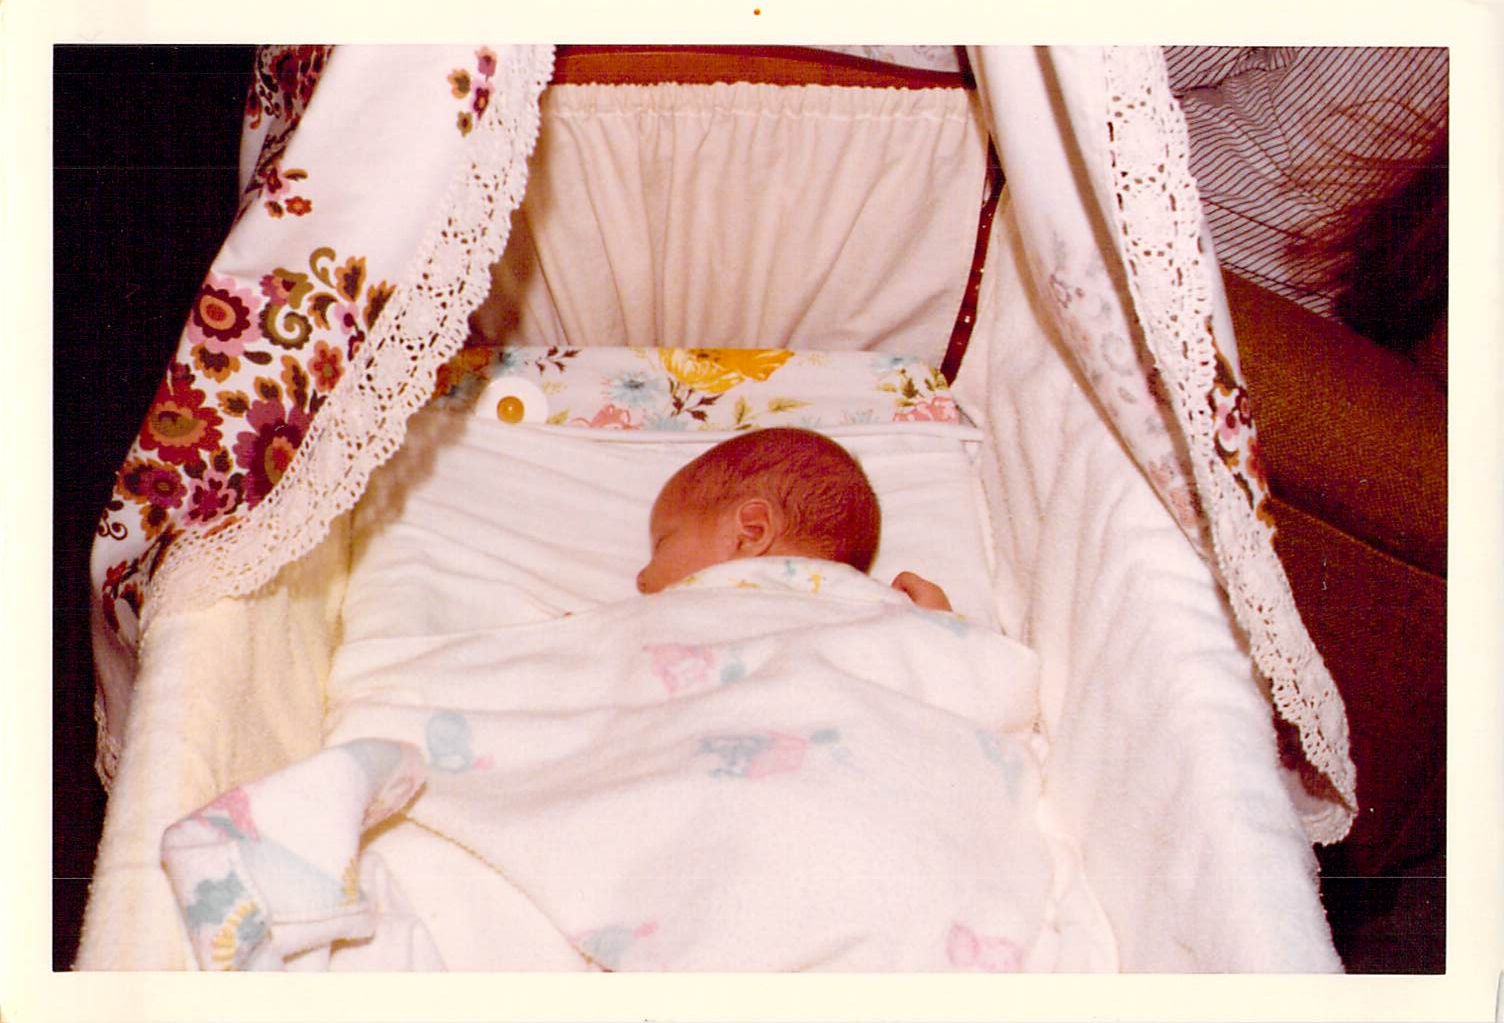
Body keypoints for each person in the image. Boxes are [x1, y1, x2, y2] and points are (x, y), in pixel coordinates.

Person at [636, 427, 951, 611]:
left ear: (751, 531)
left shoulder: (872, 606)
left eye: (663, 543)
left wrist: (931, 623)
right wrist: (935, 625)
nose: (640, 577)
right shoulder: (879, 612)